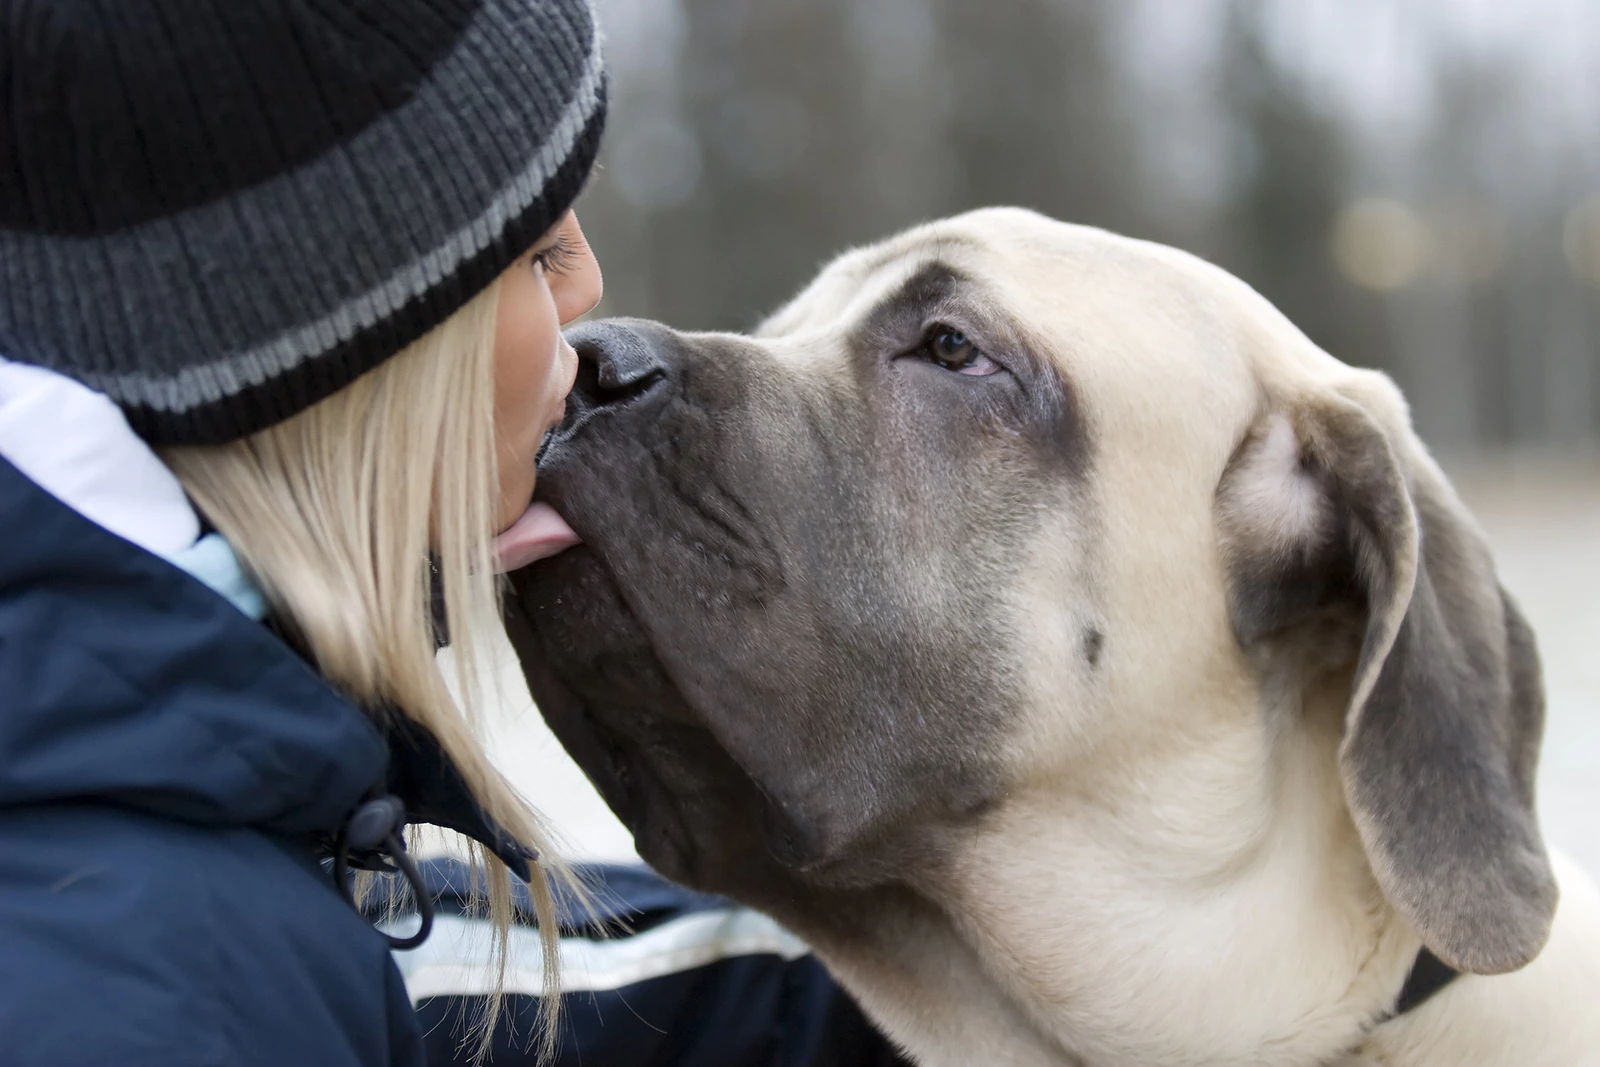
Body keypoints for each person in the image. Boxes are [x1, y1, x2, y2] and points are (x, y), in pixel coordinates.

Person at [0, 2, 908, 1065]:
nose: (586, 285)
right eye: (527, 250)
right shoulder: (168, 994)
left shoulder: (148, 819)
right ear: (344, 359)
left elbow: (417, 977)